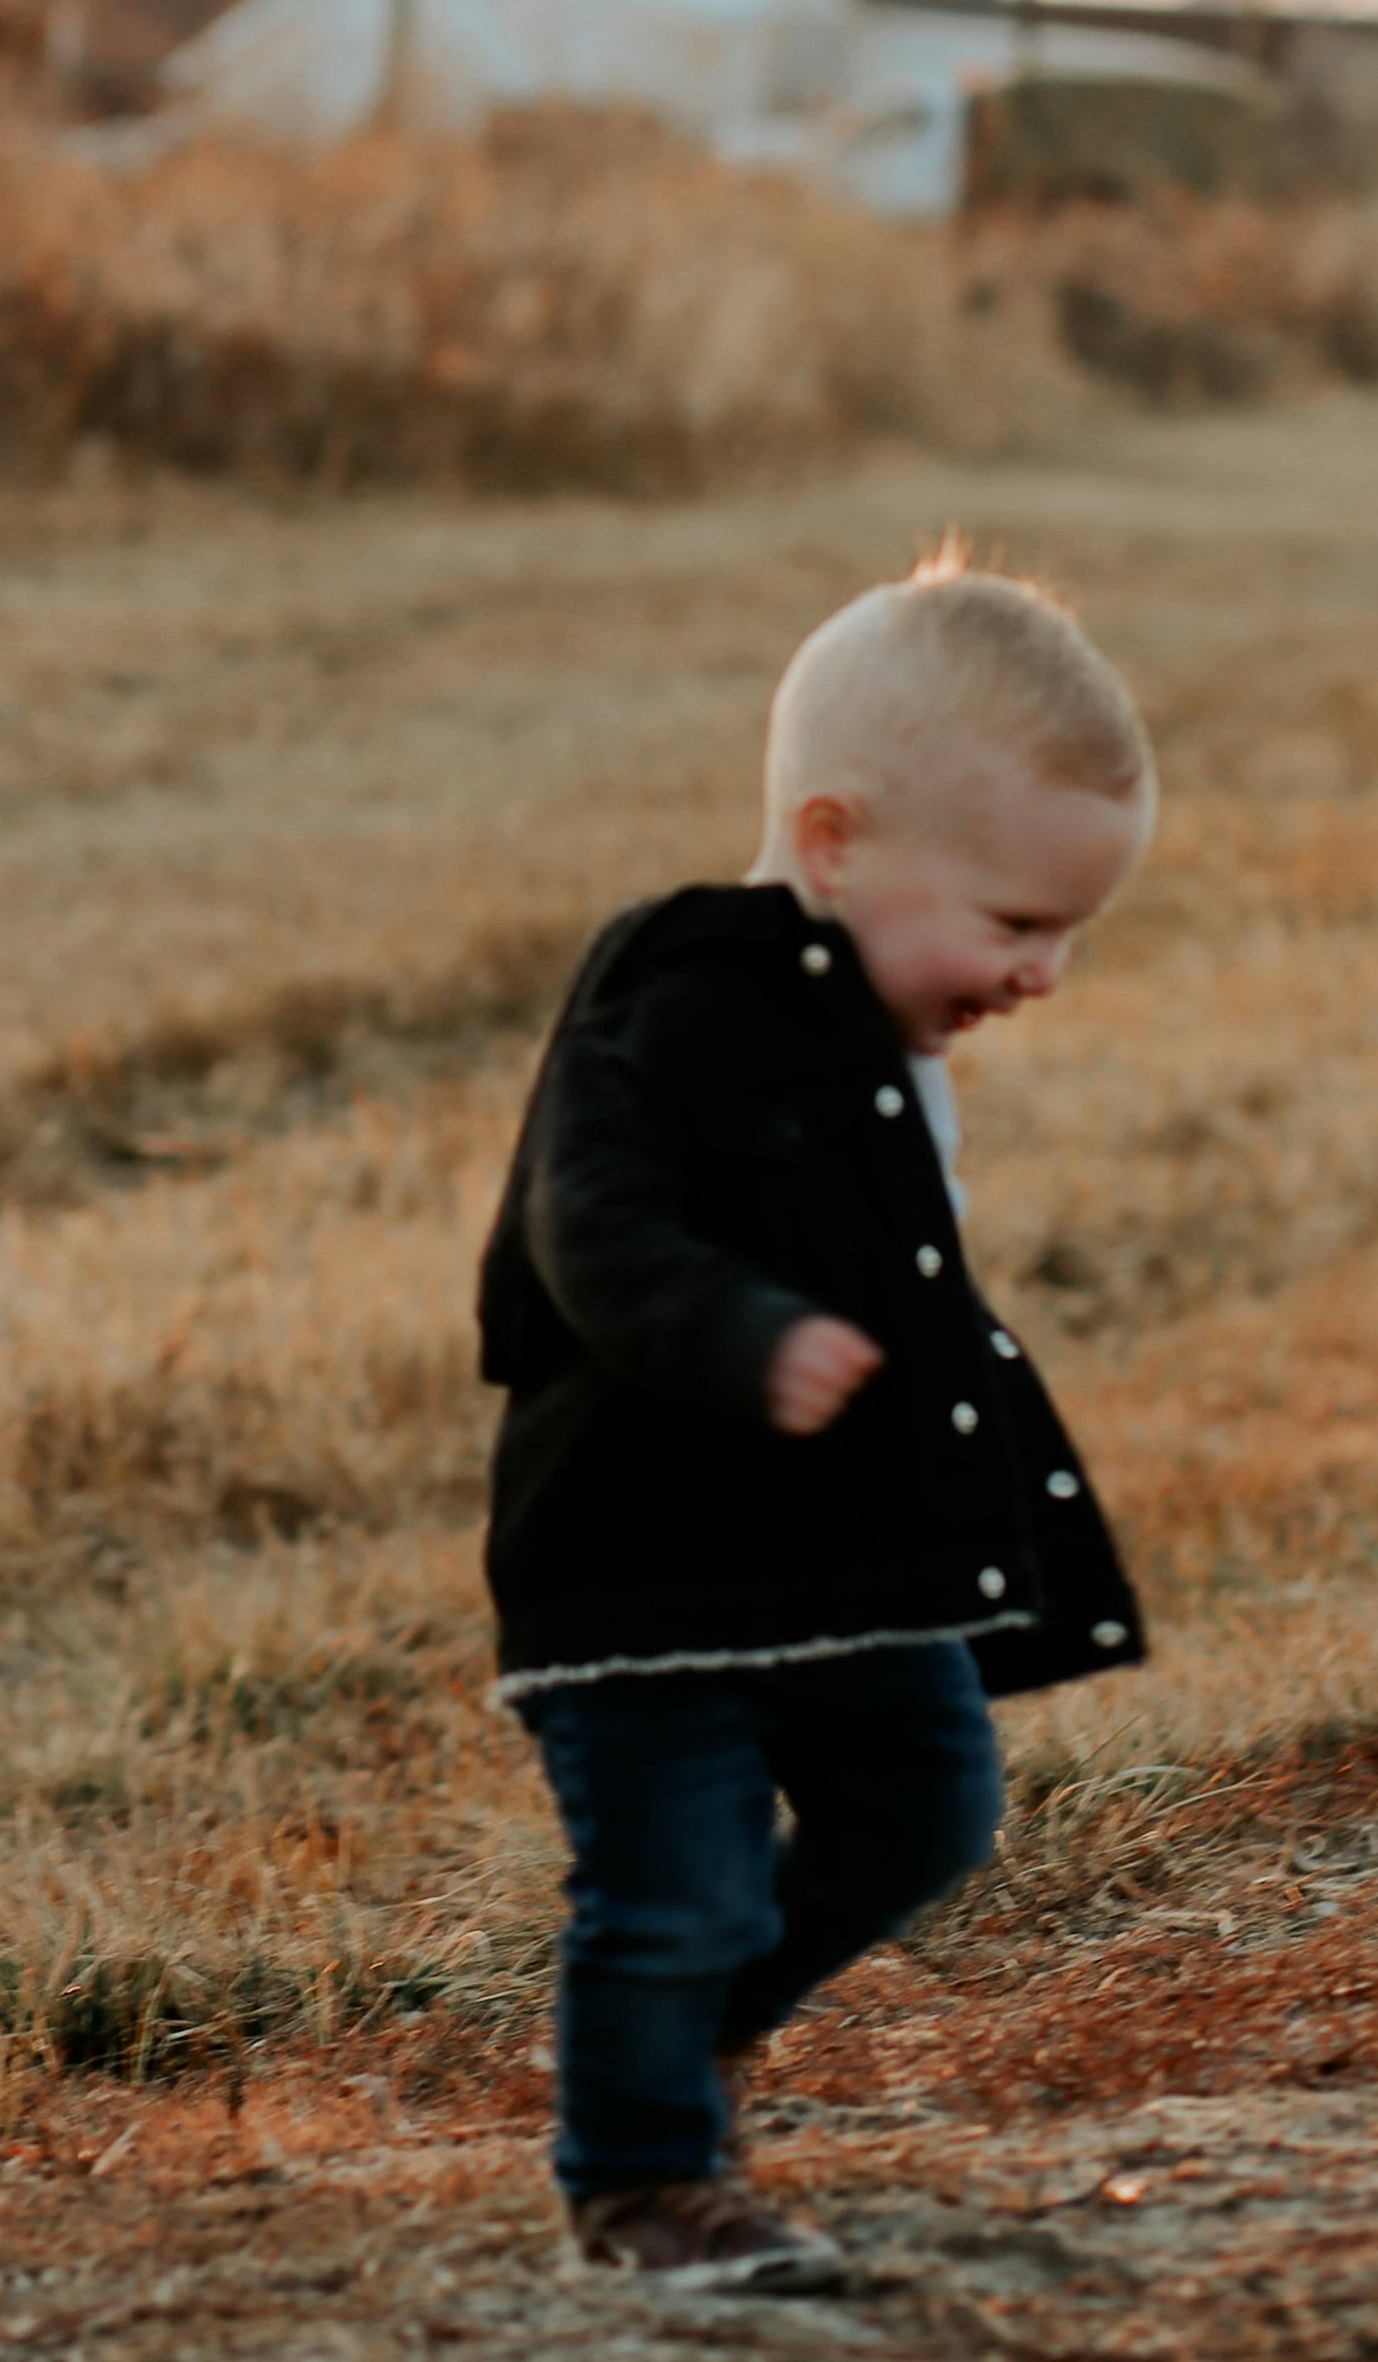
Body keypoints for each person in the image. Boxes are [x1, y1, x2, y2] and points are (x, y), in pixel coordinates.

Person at [476, 545, 1157, 2292]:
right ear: (838, 842)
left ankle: (686, 2033)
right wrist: (738, 1332)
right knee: (679, 1880)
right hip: (646, 1573)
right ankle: (644, 2180)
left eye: (1069, 936)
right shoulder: (679, 987)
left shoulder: (875, 1036)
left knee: (929, 1804)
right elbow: (585, 1218)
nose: (1044, 977)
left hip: (841, 1565)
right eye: (1015, 926)